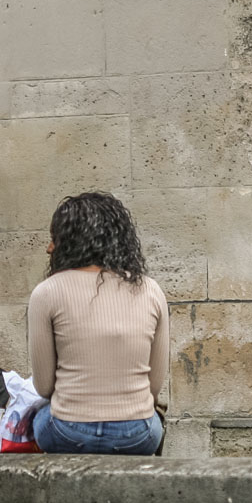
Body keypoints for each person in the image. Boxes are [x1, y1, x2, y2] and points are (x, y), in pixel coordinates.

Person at [29, 192, 169, 455]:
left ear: (70, 242)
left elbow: (44, 386)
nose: (49, 248)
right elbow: (154, 386)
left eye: (54, 238)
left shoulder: (46, 293)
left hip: (66, 432)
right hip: (138, 435)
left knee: (37, 416)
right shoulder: (151, 290)